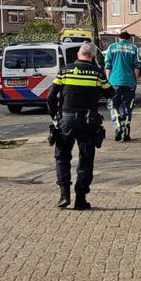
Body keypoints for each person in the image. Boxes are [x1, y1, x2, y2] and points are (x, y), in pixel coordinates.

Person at [47, 42, 113, 210]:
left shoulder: (65, 70)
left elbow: (51, 96)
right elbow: (110, 93)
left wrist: (55, 115)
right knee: (85, 159)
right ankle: (81, 199)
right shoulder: (97, 73)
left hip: (66, 120)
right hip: (88, 121)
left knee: (62, 157)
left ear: (78, 54)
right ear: (93, 57)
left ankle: (64, 195)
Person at [103, 31, 141, 142]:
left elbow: (108, 65)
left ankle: (118, 125)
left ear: (118, 38)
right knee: (128, 106)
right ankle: (126, 131)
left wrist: (108, 80)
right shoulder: (134, 48)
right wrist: (135, 80)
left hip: (114, 81)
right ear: (129, 39)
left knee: (112, 105)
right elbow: (137, 66)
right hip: (129, 83)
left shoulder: (112, 47)